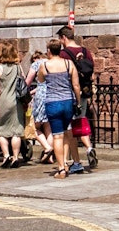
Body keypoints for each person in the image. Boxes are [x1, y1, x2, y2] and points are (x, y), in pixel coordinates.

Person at [35, 40, 82, 179]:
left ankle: (61, 167)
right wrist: (78, 103)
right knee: (67, 131)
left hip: (53, 103)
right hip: (68, 101)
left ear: (49, 50)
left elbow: (41, 80)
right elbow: (76, 85)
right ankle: (67, 162)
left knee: (57, 135)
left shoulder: (44, 65)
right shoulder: (69, 63)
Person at [58, 26, 98, 172]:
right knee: (80, 121)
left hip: (69, 93)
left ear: (63, 37)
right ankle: (88, 148)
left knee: (68, 127)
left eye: (60, 39)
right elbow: (91, 73)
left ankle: (71, 161)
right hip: (83, 93)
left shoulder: (63, 54)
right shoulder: (86, 51)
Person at [0, 41, 28, 168]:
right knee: (16, 131)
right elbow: (23, 81)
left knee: (1, 130)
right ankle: (16, 157)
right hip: (16, 101)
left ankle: (6, 155)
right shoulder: (18, 67)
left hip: (4, 101)